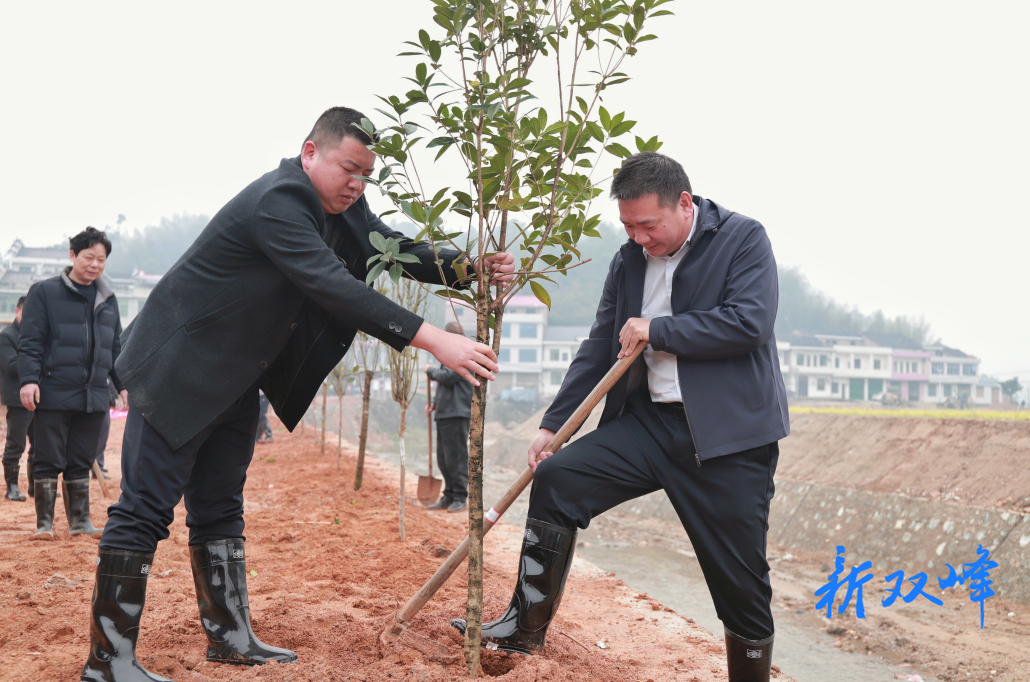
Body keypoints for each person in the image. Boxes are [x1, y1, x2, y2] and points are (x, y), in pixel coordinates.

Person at [79, 106, 515, 682]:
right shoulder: (277, 203)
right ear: (311, 152)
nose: (356, 185)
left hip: (236, 377)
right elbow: (330, 283)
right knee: (145, 509)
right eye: (347, 169)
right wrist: (434, 339)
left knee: (219, 505)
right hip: (179, 371)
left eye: (366, 175)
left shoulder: (349, 207)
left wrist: (468, 267)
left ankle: (231, 638)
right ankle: (108, 662)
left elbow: (393, 248)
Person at [450, 153, 789, 682]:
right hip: (648, 425)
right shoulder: (628, 259)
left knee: (741, 579)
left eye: (648, 226)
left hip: (727, 437)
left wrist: (659, 328)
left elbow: (748, 322)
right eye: (628, 226)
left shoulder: (742, 239)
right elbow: (600, 345)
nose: (639, 239)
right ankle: (522, 630)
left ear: (684, 203)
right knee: (558, 479)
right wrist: (553, 425)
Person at [18, 228, 127, 540]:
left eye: (101, 259)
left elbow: (115, 348)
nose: (94, 264)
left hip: (93, 395)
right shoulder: (44, 292)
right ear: (73, 256)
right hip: (53, 391)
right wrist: (28, 380)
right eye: (88, 257)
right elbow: (30, 342)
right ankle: (45, 525)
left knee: (81, 459)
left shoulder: (108, 298)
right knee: (48, 459)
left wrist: (122, 385)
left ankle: (80, 522)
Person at [424, 322, 474, 513]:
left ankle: (461, 497)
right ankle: (449, 495)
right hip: (444, 412)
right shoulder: (449, 354)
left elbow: (447, 377)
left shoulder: (462, 354)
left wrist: (429, 370)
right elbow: (444, 385)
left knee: (456, 458)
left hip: (456, 412)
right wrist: (435, 403)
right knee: (444, 459)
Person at [2, 296, 35, 501]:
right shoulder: (6, 336)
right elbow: (12, 367)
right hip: (17, 399)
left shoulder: (37, 336)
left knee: (40, 444)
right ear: (16, 311)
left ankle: (34, 485)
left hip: (40, 398)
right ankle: (11, 487)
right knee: (16, 443)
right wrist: (35, 360)